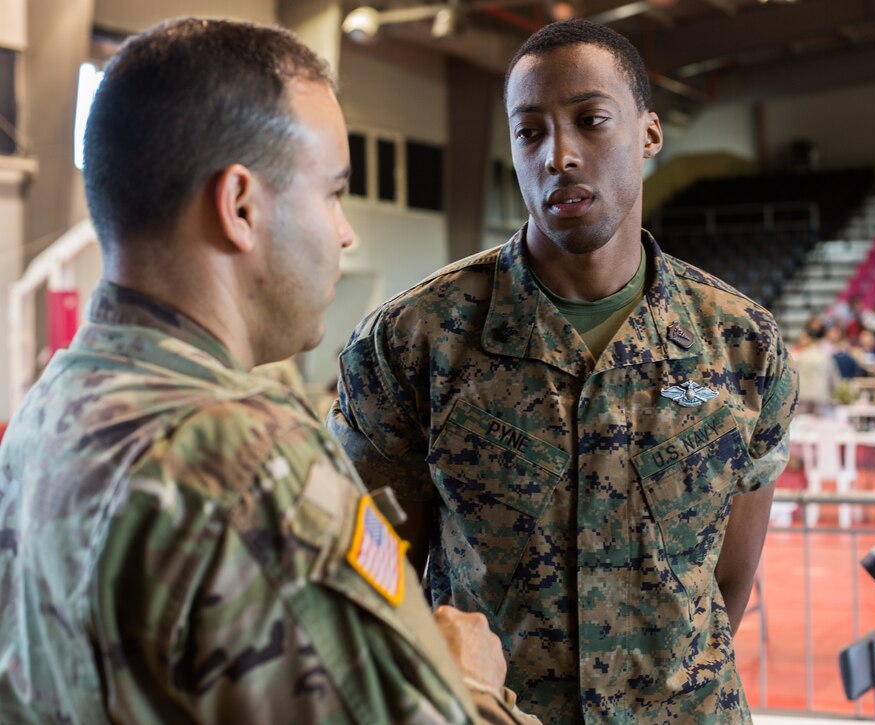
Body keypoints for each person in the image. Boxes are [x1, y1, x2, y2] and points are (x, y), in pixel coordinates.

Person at [0, 18, 535, 725]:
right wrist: (467, 682)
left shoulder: (46, 417)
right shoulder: (247, 462)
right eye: (334, 193)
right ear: (241, 206)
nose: (345, 232)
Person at [329, 19, 798, 724]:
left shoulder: (742, 347)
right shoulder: (412, 343)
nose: (559, 155)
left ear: (649, 134)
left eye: (590, 120)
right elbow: (375, 577)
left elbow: (729, 583)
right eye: (530, 132)